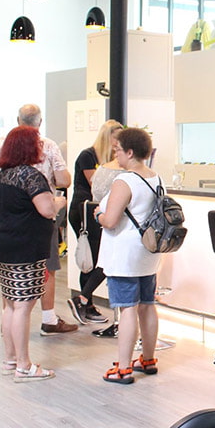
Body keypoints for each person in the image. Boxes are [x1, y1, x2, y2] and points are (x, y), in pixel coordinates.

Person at [0, 104, 76, 335]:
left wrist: (1, 203)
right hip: (40, 218)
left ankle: (8, 322)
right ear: (40, 122)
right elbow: (64, 180)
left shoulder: (0, 144)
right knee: (47, 268)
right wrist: (54, 198)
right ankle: (48, 318)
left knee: (8, 277)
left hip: (6, 219)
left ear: (18, 120)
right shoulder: (47, 145)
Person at [0, 126, 66, 382]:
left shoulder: (2, 176)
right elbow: (46, 209)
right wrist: (59, 202)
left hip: (3, 244)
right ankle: (24, 365)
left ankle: (10, 359)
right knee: (23, 306)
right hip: (25, 247)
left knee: (11, 304)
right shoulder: (30, 176)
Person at [94, 128, 163, 385]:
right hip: (148, 253)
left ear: (130, 152)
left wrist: (98, 215)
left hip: (124, 256)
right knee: (147, 305)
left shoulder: (125, 181)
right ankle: (148, 359)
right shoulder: (156, 177)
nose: (116, 155)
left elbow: (110, 220)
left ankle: (123, 368)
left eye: (118, 150)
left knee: (127, 309)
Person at [66, 119, 123, 325]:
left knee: (97, 257)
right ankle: (84, 301)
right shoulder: (88, 156)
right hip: (84, 210)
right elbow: (96, 185)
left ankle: (84, 302)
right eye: (116, 139)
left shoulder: (111, 160)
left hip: (98, 211)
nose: (118, 144)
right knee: (95, 258)